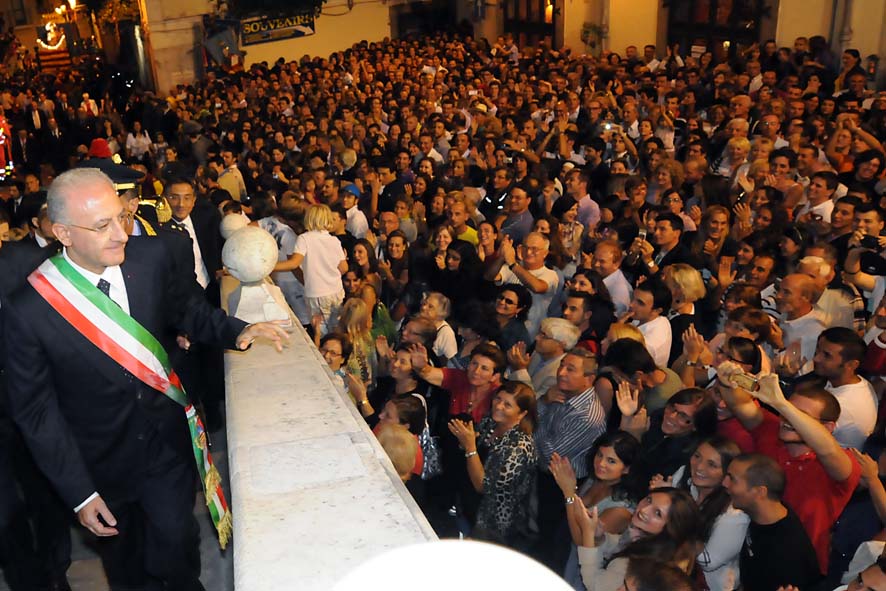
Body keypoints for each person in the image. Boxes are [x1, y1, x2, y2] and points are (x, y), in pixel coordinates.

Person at [3, 168, 287, 589]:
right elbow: (37, 414)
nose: (120, 232)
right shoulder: (31, 308)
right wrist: (80, 494)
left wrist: (235, 330)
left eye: (121, 216)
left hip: (165, 447)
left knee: (176, 546)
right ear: (62, 233)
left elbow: (186, 309)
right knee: (127, 569)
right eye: (102, 226)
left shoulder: (151, 257)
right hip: (99, 465)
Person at [448, 381, 537, 549]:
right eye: (498, 399)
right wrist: (465, 439)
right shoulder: (491, 420)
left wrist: (470, 446)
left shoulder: (519, 447)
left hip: (492, 526)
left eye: (507, 404)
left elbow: (483, 486)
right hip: (468, 505)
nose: (499, 406)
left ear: (522, 414)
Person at [551, 431, 642, 590]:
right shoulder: (595, 480)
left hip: (581, 573)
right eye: (599, 455)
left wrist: (569, 492)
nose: (601, 463)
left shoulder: (621, 509)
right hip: (563, 554)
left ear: (626, 469)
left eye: (611, 461)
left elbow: (582, 542)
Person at [723, 453, 821, 591]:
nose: (724, 483)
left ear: (759, 492)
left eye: (732, 479)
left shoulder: (786, 555)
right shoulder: (767, 515)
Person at [572, 487, 702, 591]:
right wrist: (599, 536)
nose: (644, 510)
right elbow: (620, 544)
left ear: (671, 528)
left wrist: (588, 533)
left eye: (658, 513)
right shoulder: (650, 539)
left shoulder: (643, 568)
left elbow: (594, 584)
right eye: (649, 500)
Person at [276, 204, 348, 335]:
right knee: (336, 329)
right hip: (336, 292)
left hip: (317, 293)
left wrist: (270, 266)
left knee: (321, 332)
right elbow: (344, 268)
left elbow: (293, 263)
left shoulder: (304, 239)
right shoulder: (334, 240)